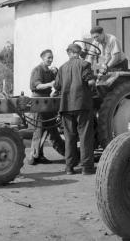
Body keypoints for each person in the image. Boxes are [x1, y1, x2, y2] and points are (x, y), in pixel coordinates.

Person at [54, 43, 96, 175]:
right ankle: (86, 168)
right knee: (85, 136)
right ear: (78, 53)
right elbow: (90, 82)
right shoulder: (85, 65)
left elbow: (57, 86)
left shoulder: (62, 68)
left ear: (69, 53)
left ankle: (69, 168)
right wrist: (93, 87)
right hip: (82, 105)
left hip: (66, 106)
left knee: (69, 137)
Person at [28, 49, 61, 165]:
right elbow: (36, 86)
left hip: (47, 101)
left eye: (52, 57)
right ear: (42, 58)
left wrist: (56, 72)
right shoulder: (38, 70)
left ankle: (40, 155)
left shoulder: (48, 71)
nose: (51, 60)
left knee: (46, 130)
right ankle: (33, 156)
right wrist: (50, 84)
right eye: (48, 58)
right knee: (38, 130)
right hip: (38, 100)